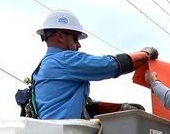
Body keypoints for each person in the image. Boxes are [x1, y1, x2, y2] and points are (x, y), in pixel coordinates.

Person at [25, 9, 156, 120]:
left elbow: (72, 105)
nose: (79, 45)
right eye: (75, 38)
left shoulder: (44, 66)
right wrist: (144, 54)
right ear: (60, 36)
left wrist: (118, 108)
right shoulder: (65, 60)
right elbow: (109, 65)